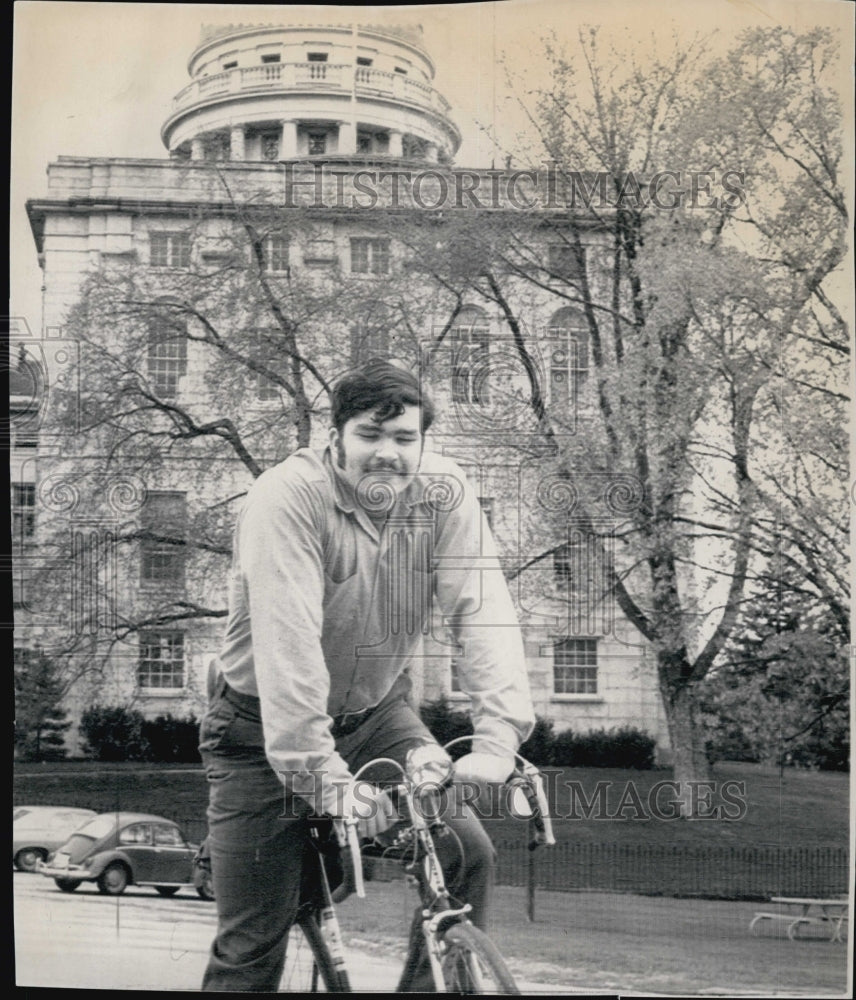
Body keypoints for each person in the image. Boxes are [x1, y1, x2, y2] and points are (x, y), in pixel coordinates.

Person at [199, 359, 534, 991]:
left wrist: (497, 741)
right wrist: (325, 780)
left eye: (404, 438)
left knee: (467, 855)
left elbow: (484, 611)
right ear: (335, 437)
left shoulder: (445, 493)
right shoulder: (287, 497)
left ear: (424, 442)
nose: (389, 453)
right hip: (259, 730)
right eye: (369, 435)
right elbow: (289, 648)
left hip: (378, 718)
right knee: (251, 948)